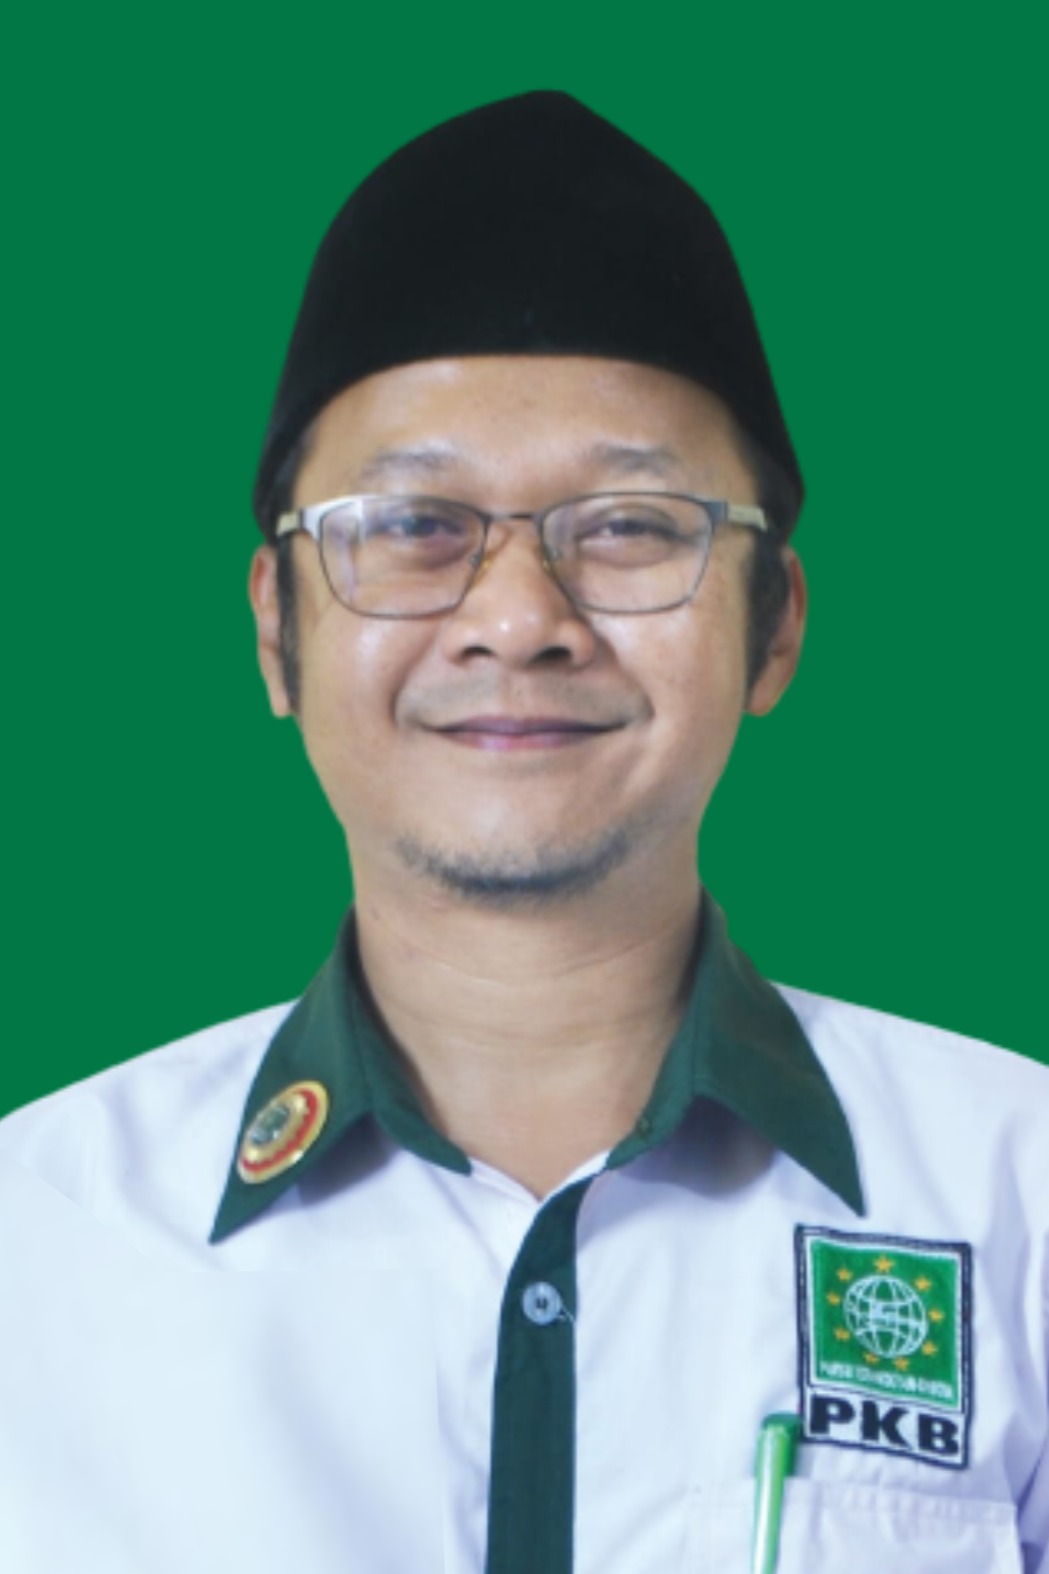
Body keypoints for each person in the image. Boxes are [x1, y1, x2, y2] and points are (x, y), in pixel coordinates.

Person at [0, 90, 1046, 1574]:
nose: (516, 619)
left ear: (774, 625)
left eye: (627, 525)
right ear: (276, 630)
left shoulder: (1018, 1198)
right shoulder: (37, 1240)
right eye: (412, 526)